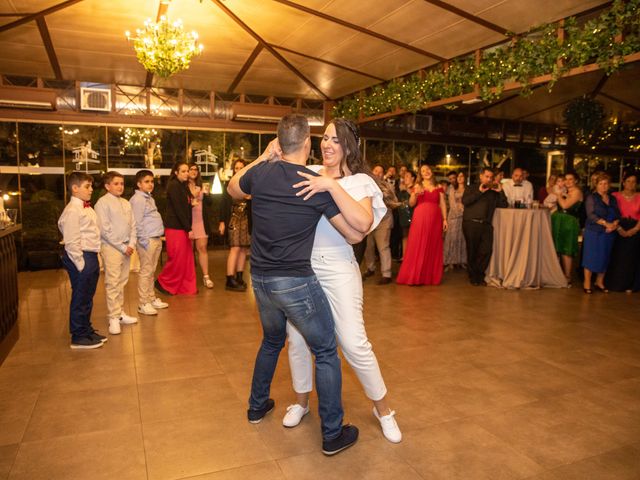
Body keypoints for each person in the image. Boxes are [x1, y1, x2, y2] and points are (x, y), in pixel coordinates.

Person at [228, 114, 365, 455]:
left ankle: (257, 405)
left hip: (259, 279)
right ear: (306, 143)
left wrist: (263, 156)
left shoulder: (260, 173)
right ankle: (332, 433)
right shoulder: (312, 182)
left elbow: (233, 188)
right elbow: (352, 234)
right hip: (295, 281)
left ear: (278, 142)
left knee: (272, 340)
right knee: (325, 351)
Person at [283, 118, 402, 443]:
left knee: (353, 343)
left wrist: (331, 185)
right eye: (324, 138)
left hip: (338, 269)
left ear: (349, 145)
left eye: (335, 139)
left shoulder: (361, 181)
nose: (327, 144)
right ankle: (301, 402)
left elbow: (361, 225)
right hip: (303, 268)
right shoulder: (308, 172)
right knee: (296, 340)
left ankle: (384, 409)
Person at [58, 172, 105, 349]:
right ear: (74, 188)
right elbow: (71, 241)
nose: (91, 189)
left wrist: (95, 258)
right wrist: (81, 264)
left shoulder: (87, 208)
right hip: (80, 256)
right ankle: (78, 335)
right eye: (87, 186)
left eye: (91, 186)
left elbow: (93, 235)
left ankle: (86, 329)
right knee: (81, 296)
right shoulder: (72, 210)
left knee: (87, 296)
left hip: (90, 254)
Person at [94, 171, 138, 335]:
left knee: (122, 281)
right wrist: (122, 246)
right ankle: (113, 317)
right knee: (112, 283)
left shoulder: (126, 203)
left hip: (127, 247)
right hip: (112, 248)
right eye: (116, 183)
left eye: (122, 184)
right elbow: (105, 230)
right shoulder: (102, 203)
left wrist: (132, 243)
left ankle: (119, 313)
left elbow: (133, 225)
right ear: (107, 186)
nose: (120, 187)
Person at [396, 164, 448, 285]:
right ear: (420, 174)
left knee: (432, 245)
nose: (426, 172)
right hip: (420, 218)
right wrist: (415, 194)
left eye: (428, 169)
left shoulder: (438, 186)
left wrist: (445, 219)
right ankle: (415, 276)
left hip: (435, 220)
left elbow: (443, 204)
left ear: (431, 171)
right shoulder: (417, 186)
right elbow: (411, 204)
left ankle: (428, 277)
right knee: (418, 244)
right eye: (423, 171)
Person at [130, 170, 169, 316]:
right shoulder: (138, 199)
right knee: (146, 272)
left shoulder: (149, 198)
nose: (150, 184)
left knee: (151, 271)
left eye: (152, 181)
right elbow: (136, 222)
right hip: (147, 240)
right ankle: (143, 303)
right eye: (146, 181)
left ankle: (151, 298)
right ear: (139, 184)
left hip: (155, 238)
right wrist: (144, 241)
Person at [156, 161, 197, 295]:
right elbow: (178, 210)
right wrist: (188, 228)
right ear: (176, 173)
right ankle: (163, 283)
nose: (187, 173)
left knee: (186, 259)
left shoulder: (182, 186)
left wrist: (191, 204)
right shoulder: (174, 186)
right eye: (183, 171)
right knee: (177, 259)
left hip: (182, 227)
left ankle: (185, 287)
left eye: (187, 171)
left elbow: (183, 207)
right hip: (175, 228)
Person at [462, 167, 508, 286]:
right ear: (481, 176)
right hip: (471, 223)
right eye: (486, 176)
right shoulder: (471, 188)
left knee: (486, 251)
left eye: (491, 177)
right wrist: (479, 192)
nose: (489, 179)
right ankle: (473, 277)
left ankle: (480, 274)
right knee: (472, 251)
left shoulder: (493, 192)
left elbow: (504, 205)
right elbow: (465, 201)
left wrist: (501, 191)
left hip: (486, 225)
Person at [582, 173, 620, 294]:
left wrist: (614, 224)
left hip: (609, 232)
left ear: (609, 185)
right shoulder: (591, 197)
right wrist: (606, 224)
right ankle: (587, 282)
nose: (604, 186)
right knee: (590, 257)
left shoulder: (612, 198)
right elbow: (591, 215)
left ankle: (599, 282)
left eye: (606, 183)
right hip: (594, 231)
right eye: (601, 183)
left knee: (605, 256)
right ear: (596, 185)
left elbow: (618, 214)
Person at [363, 164, 399, 284]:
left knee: (383, 247)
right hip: (370, 221)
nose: (378, 173)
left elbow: (394, 202)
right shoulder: (365, 185)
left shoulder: (387, 186)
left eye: (381, 172)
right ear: (372, 172)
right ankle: (370, 268)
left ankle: (386, 274)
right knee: (369, 247)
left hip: (384, 221)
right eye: (376, 170)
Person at [219, 159, 251, 292]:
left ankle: (239, 276)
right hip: (234, 220)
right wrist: (222, 222)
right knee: (235, 248)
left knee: (244, 249)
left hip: (246, 220)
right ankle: (229, 278)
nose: (239, 170)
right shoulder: (229, 184)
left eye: (241, 167)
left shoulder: (250, 185)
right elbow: (223, 204)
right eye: (236, 168)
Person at [605, 172, 640, 292]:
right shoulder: (615, 196)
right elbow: (611, 214)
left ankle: (630, 285)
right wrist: (619, 228)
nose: (631, 184)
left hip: (635, 229)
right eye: (628, 181)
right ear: (623, 182)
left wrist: (634, 230)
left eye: (634, 181)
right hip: (617, 227)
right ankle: (614, 284)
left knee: (631, 258)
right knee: (616, 257)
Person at [551, 171, 583, 283]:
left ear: (576, 181)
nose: (567, 181)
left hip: (569, 222)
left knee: (566, 249)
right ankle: (557, 274)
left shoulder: (577, 192)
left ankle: (567, 276)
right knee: (557, 247)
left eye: (570, 179)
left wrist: (558, 194)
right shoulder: (566, 191)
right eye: (566, 179)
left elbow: (565, 205)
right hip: (559, 220)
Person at [187, 163, 215, 289]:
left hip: (201, 221)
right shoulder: (182, 186)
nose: (193, 171)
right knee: (188, 251)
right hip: (188, 221)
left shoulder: (202, 185)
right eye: (191, 169)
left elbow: (210, 203)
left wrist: (207, 194)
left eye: (195, 170)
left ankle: (206, 277)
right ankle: (189, 277)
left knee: (202, 248)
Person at [443, 170, 467, 271]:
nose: (459, 178)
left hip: (464, 216)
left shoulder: (468, 189)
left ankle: (461, 261)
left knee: (462, 238)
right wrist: (461, 210)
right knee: (452, 238)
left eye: (461, 176)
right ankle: (450, 261)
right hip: (454, 216)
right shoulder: (451, 188)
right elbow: (452, 204)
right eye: (458, 177)